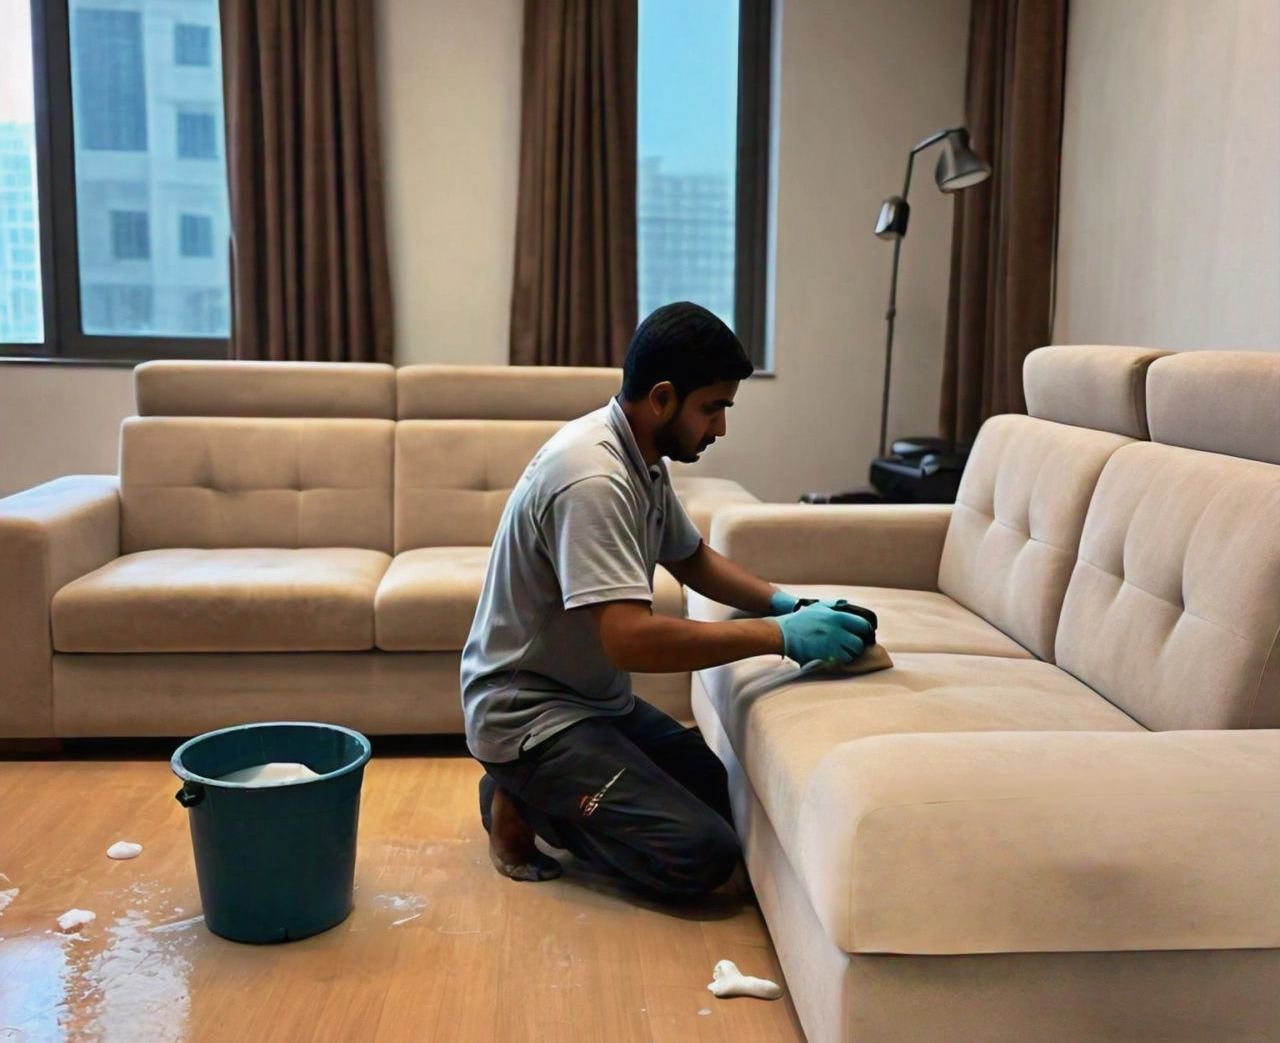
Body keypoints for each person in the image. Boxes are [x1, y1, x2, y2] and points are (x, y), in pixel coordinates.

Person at [460, 301, 871, 898]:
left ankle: (540, 788)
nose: (720, 428)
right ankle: (522, 799)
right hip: (529, 716)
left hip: (591, 701)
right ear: (661, 398)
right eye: (712, 408)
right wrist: (779, 638)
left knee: (713, 787)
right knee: (702, 855)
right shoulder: (594, 479)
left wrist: (789, 604)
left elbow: (690, 556)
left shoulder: (641, 457)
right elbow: (630, 641)